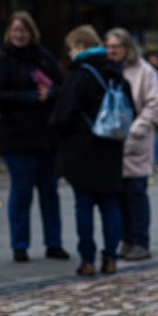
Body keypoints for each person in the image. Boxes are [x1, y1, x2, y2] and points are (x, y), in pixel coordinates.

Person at [49, 25, 133, 276]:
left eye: (72, 48)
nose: (70, 53)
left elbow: (62, 116)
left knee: (84, 206)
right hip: (111, 147)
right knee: (110, 205)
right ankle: (110, 258)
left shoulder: (79, 74)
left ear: (80, 47)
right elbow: (130, 108)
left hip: (82, 149)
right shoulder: (114, 71)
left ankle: (87, 260)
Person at [0, 11, 68, 263]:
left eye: (23, 31)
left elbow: (63, 86)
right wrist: (27, 97)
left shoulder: (43, 57)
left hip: (45, 135)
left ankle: (53, 242)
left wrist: (51, 92)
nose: (19, 35)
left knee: (50, 192)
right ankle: (19, 245)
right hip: (17, 137)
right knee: (21, 192)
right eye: (15, 31)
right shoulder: (2, 60)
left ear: (32, 32)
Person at [106, 28, 158, 261]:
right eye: (108, 47)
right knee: (119, 196)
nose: (111, 51)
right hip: (112, 142)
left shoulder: (144, 72)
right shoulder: (108, 70)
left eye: (115, 47)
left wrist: (136, 129)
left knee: (136, 193)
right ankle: (126, 240)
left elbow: (155, 106)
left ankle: (140, 240)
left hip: (135, 142)